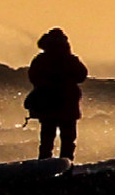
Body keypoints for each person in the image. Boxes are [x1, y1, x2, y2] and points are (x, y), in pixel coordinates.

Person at [25, 28, 88, 161]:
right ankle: (66, 167)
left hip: (51, 105)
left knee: (48, 140)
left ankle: (46, 167)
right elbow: (82, 76)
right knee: (66, 141)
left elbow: (34, 78)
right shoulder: (70, 59)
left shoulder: (42, 59)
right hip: (63, 105)